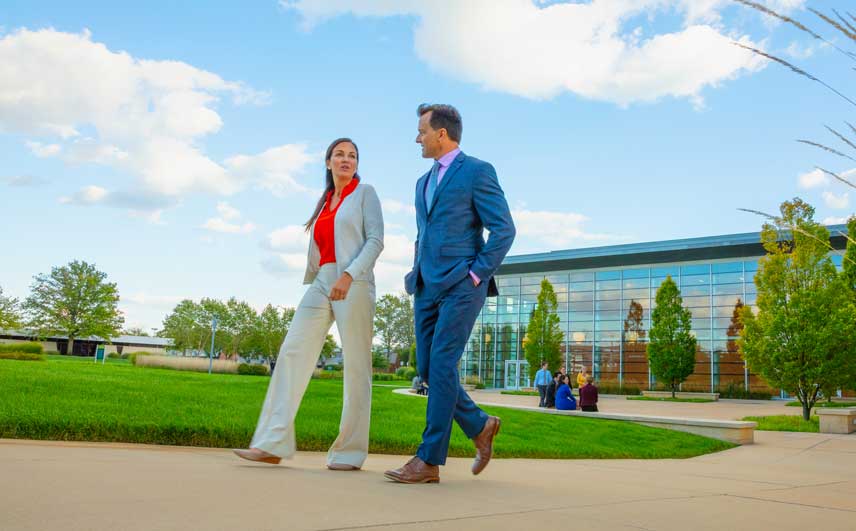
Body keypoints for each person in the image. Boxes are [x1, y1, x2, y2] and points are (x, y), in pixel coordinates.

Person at [233, 138, 384, 471]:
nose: (346, 160)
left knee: (357, 367)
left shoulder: (365, 194)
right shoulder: (327, 200)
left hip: (353, 282)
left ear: (357, 163)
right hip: (321, 282)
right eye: (339, 155)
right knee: (291, 352)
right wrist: (326, 277)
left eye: (353, 156)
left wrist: (349, 274)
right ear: (328, 162)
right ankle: (272, 443)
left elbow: (376, 240)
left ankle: (349, 453)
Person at [385, 104, 516, 484]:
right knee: (427, 369)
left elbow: (503, 229)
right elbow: (423, 233)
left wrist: (476, 274)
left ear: (441, 134)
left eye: (421, 131)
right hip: (425, 286)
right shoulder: (421, 183)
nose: (417, 138)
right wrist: (415, 272)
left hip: (461, 284)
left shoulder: (477, 171)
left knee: (442, 364)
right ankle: (479, 426)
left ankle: (427, 461)